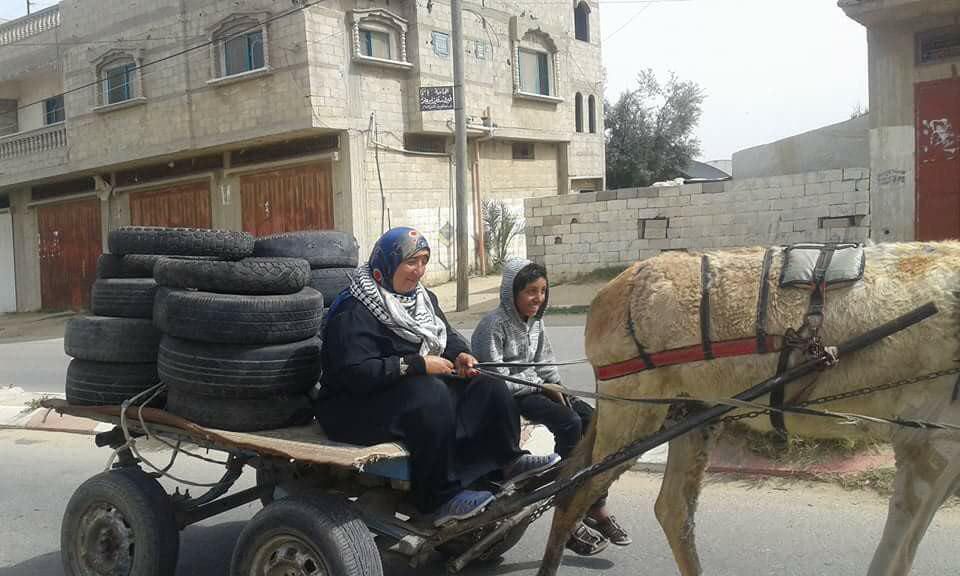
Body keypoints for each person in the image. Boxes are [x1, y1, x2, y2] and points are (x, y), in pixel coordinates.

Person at [314, 227, 559, 525]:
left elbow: (446, 336)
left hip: (400, 393)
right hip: (352, 407)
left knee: (487, 384)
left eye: (424, 261)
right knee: (430, 394)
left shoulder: (422, 299)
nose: (419, 271)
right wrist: (416, 364)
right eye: (411, 262)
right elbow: (355, 373)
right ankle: (437, 499)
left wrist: (461, 355)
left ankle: (506, 462)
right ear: (386, 265)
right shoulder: (354, 309)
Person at [471, 258, 632, 555]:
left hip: (538, 387)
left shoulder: (536, 322)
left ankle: (595, 506)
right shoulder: (492, 325)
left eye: (543, 291)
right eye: (531, 291)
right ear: (512, 292)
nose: (538, 298)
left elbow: (545, 362)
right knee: (569, 423)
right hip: (510, 395)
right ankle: (567, 511)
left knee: (592, 419)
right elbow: (491, 378)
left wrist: (559, 386)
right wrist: (540, 386)